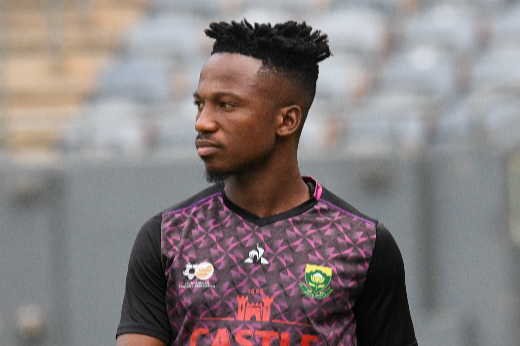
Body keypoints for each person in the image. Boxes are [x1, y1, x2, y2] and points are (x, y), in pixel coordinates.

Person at [116, 20, 417, 346]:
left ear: (286, 121)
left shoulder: (363, 244)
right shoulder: (165, 238)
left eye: (226, 105)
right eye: (200, 104)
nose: (202, 122)